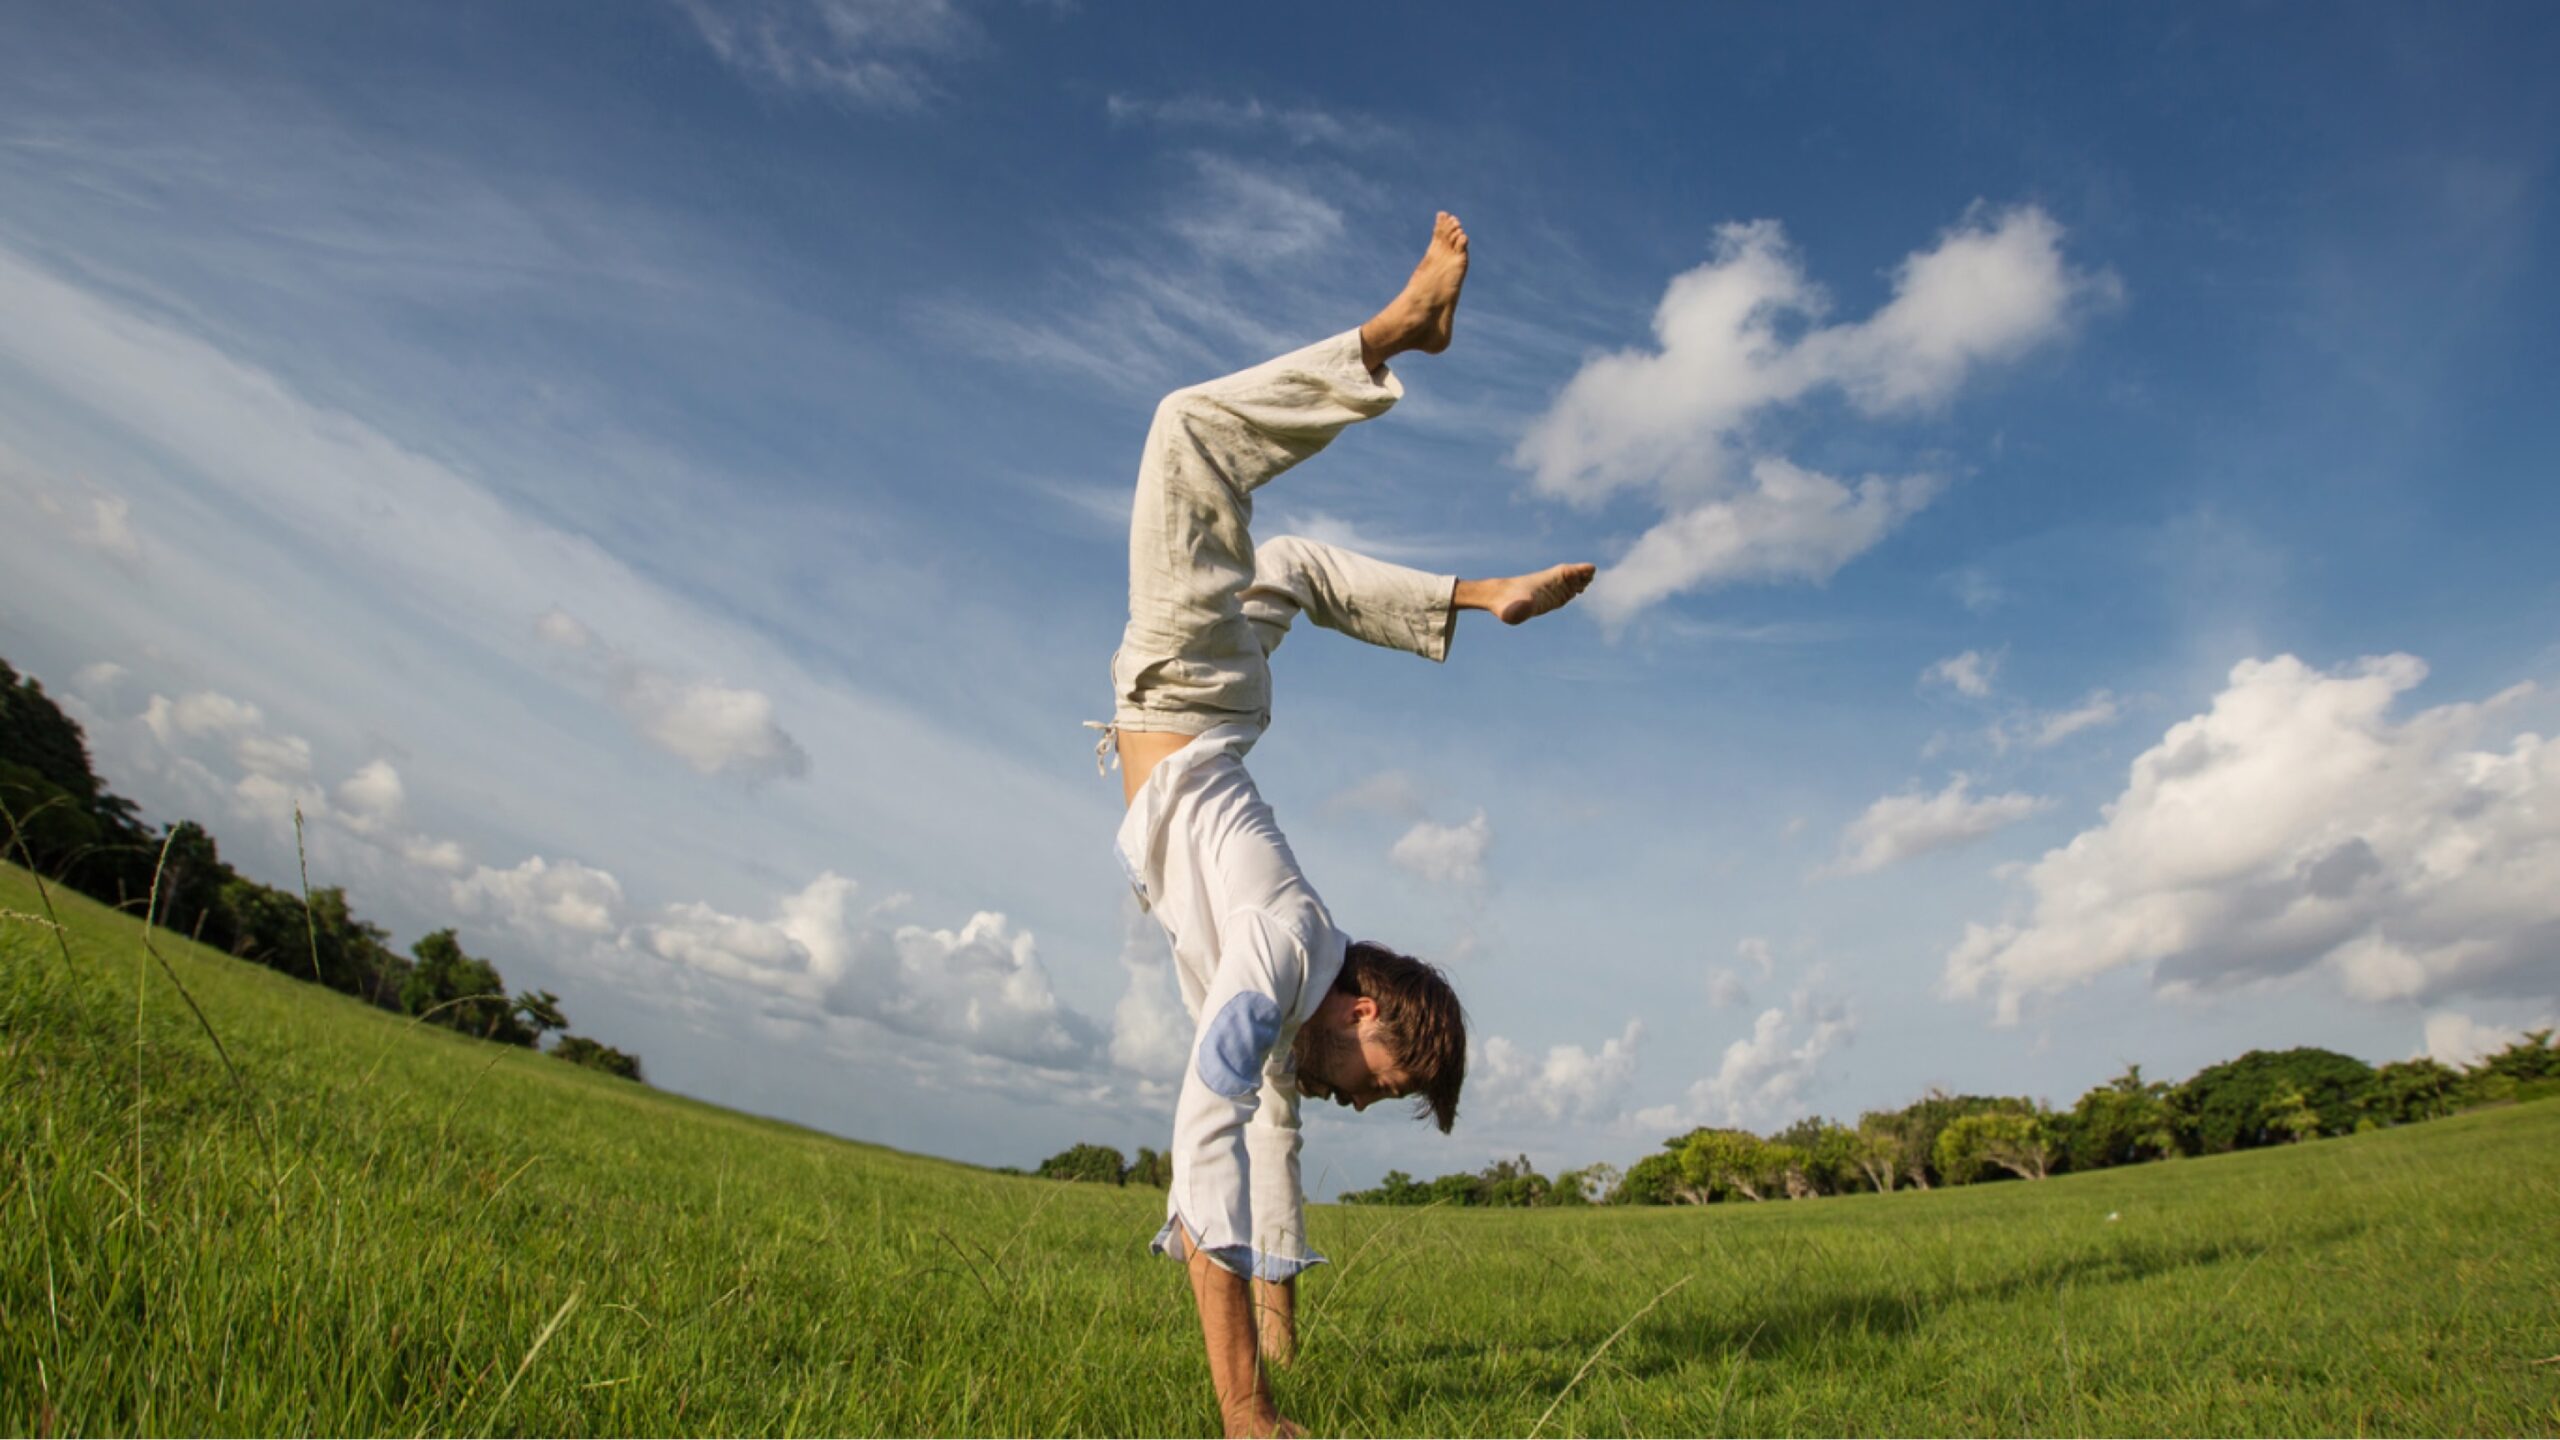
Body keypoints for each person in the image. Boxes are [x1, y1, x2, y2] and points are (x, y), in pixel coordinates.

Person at [1096, 211, 1595, 1438]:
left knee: (1299, 568)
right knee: (1190, 433)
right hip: (1190, 700)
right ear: (1366, 1009)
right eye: (1391, 1079)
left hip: (1208, 712)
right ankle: (1393, 333)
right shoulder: (1277, 950)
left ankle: (1476, 594)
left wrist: (1279, 1335)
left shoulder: (1283, 988)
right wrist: (1247, 1417)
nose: (1370, 1105)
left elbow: (1266, 1140)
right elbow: (1204, 1131)